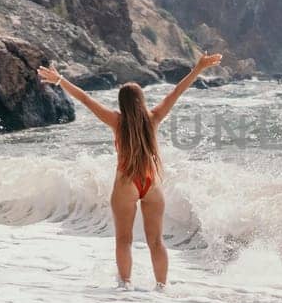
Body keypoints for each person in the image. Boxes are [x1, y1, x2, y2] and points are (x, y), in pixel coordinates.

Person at [38, 53, 223, 290]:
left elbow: (85, 99)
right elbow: (176, 92)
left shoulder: (117, 121)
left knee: (123, 240)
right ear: (141, 100)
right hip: (151, 185)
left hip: (126, 184)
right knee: (156, 241)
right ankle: (162, 287)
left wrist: (59, 80)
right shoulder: (154, 118)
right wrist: (198, 68)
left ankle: (125, 286)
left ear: (122, 103)